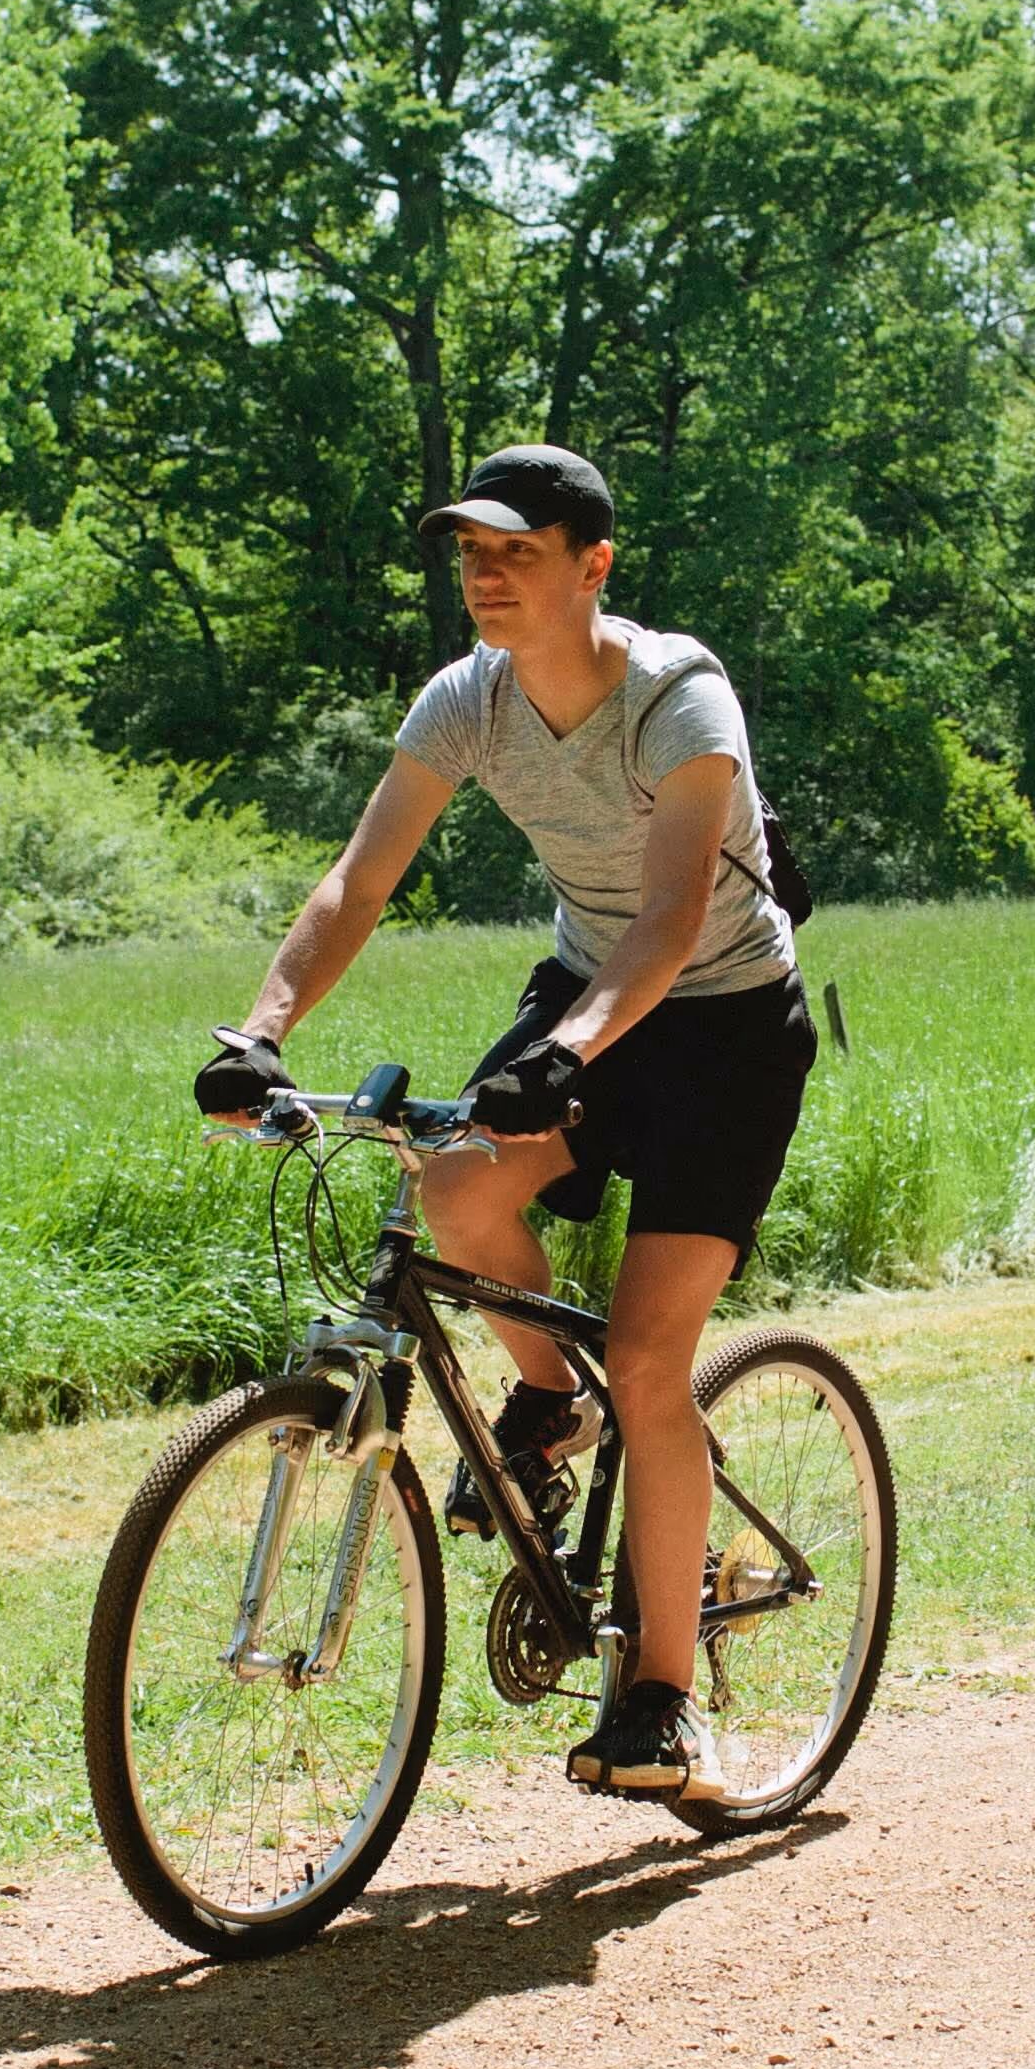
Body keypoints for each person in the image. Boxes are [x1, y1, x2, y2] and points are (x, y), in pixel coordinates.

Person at [192, 444, 818, 1806]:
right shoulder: (467, 702)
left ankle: (660, 1698)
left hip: (723, 1023)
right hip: (593, 993)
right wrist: (263, 1031)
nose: (482, 574)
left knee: (654, 1357)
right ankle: (549, 1398)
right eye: (469, 552)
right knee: (457, 1187)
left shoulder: (678, 697)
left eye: (514, 552)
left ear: (593, 566)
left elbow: (668, 920)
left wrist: (574, 1048)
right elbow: (361, 878)